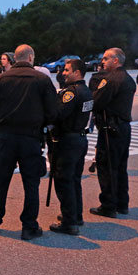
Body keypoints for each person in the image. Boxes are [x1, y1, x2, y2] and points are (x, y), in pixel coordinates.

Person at [0, 44, 57, 240]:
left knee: (0, 181)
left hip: (6, 136)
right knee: (31, 184)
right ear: (31, 57)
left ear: (15, 59)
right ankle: (29, 226)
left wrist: (3, 119)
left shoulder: (1, 80)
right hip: (31, 138)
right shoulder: (42, 80)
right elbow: (53, 112)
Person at [89, 47, 136, 218]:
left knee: (107, 167)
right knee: (120, 167)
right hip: (123, 128)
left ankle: (108, 205)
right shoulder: (128, 78)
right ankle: (122, 203)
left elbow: (97, 101)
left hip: (111, 128)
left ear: (116, 60)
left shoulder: (112, 79)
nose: (103, 61)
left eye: (106, 58)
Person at [49, 59, 93, 235]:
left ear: (77, 72)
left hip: (67, 141)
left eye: (67, 70)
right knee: (74, 180)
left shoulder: (71, 93)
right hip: (80, 139)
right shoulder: (87, 91)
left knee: (64, 181)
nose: (64, 73)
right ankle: (76, 215)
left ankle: (69, 222)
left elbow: (58, 114)